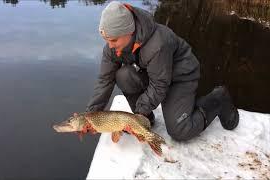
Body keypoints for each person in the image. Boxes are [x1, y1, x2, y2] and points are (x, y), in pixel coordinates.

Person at [85, 1, 239, 141]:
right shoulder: (114, 47)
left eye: (113, 40)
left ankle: (218, 98)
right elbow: (105, 79)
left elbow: (159, 85)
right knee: (123, 75)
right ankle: (146, 120)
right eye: (107, 40)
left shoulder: (158, 44)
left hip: (181, 77)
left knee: (180, 131)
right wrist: (91, 115)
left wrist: (136, 117)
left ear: (129, 32)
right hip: (156, 73)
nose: (110, 46)